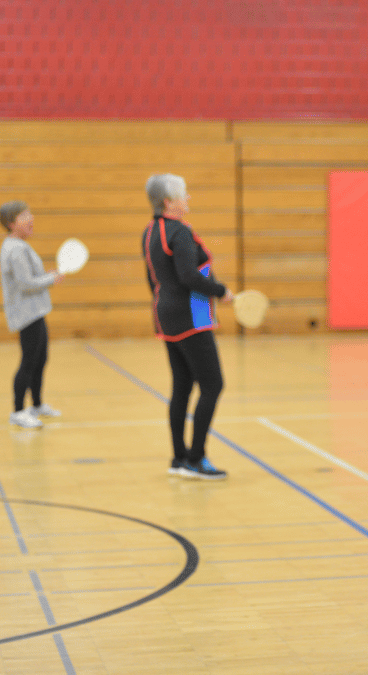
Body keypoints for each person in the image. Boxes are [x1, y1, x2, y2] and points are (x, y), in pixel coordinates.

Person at [142, 173, 232, 480]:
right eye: (184, 195)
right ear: (169, 203)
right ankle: (196, 459)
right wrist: (221, 291)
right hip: (191, 315)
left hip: (166, 313)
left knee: (182, 386)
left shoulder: (151, 230)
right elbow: (189, 276)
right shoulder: (178, 232)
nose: (188, 199)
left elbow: (152, 277)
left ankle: (179, 458)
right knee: (213, 385)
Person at [0, 200, 63, 428]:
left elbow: (29, 277)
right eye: (24, 216)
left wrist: (46, 275)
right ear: (11, 223)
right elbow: (25, 284)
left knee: (40, 358)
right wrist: (51, 279)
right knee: (28, 360)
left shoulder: (19, 246)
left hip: (36, 311)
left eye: (30, 214)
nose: (31, 219)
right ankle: (18, 411)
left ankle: (36, 404)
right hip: (27, 314)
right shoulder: (15, 249)